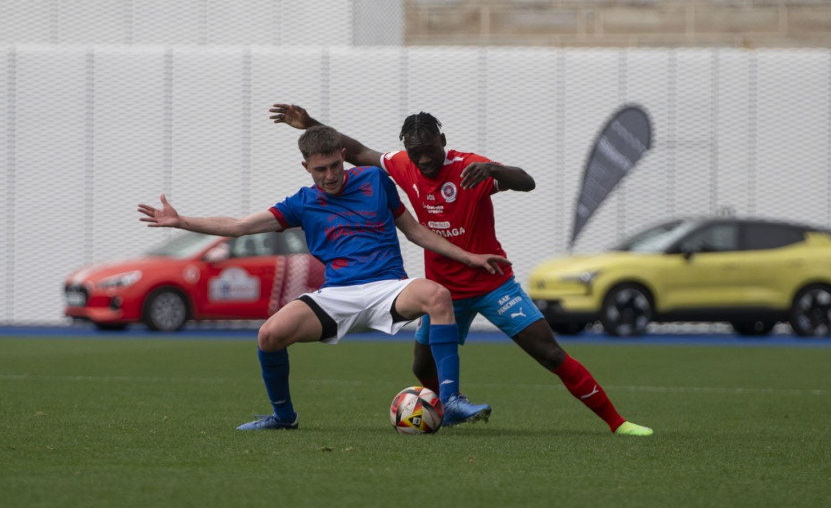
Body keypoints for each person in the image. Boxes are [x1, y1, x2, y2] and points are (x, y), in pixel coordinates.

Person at [269, 105, 653, 437]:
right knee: (421, 365)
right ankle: (447, 412)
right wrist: (309, 124)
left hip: (492, 285)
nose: (423, 160)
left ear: (443, 140)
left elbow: (527, 182)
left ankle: (618, 422)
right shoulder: (402, 167)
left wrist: (493, 170)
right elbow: (355, 151)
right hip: (443, 292)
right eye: (414, 152)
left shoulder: (469, 168)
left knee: (549, 352)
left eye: (430, 150)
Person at [137, 125, 506, 430]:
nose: (330, 176)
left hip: (387, 288)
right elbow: (239, 226)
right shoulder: (301, 202)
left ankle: (452, 400)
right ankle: (283, 417)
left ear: (342, 156)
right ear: (306, 167)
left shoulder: (376, 181)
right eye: (320, 170)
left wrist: (469, 257)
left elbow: (415, 231)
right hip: (336, 295)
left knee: (438, 296)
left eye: (334, 165)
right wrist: (181, 221)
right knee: (269, 335)